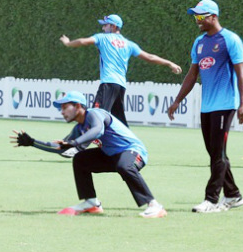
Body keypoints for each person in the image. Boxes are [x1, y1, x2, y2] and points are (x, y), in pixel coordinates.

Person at [10, 91, 167, 218]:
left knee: (124, 166)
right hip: (112, 155)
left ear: (78, 106)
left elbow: (97, 130)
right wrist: (33, 142)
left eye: (65, 107)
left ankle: (154, 206)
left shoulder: (94, 114)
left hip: (134, 152)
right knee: (80, 159)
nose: (62, 112)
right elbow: (62, 148)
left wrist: (74, 142)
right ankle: (91, 203)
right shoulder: (79, 127)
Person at [168, 0, 243, 213]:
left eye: (200, 17)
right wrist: (177, 100)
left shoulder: (230, 40)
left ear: (213, 16)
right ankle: (233, 195)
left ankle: (211, 200)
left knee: (217, 153)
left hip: (226, 105)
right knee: (215, 153)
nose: (197, 21)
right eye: (195, 17)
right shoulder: (199, 42)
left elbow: (241, 74)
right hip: (207, 107)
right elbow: (192, 74)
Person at [60, 14, 182, 126]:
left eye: (105, 25)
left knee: (95, 115)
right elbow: (150, 57)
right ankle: (128, 145)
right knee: (119, 122)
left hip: (108, 83)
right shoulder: (128, 44)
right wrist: (169, 63)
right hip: (120, 86)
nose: (103, 28)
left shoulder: (102, 38)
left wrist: (68, 43)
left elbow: (83, 42)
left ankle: (79, 146)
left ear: (113, 26)